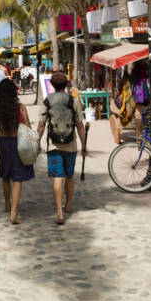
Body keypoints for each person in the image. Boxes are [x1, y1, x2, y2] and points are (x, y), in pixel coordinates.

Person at [37, 72, 86, 225]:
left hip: (54, 145)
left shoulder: (47, 101)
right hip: (70, 145)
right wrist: (84, 145)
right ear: (66, 85)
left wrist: (37, 143)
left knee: (58, 177)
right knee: (69, 176)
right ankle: (69, 205)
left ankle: (59, 211)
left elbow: (41, 125)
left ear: (52, 84)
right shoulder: (74, 101)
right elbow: (80, 125)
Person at [0, 79, 33, 225]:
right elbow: (28, 128)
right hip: (18, 143)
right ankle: (13, 213)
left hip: (3, 144)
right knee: (17, 178)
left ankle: (7, 205)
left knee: (5, 175)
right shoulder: (21, 108)